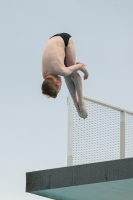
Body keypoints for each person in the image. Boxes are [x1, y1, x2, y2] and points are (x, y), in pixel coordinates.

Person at [41, 33, 89, 119]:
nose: (62, 85)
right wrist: (73, 66)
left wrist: (86, 74)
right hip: (52, 40)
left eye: (60, 86)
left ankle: (81, 103)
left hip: (66, 40)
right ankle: (76, 104)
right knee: (67, 72)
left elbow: (81, 68)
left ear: (57, 82)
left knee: (73, 74)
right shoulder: (45, 75)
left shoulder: (60, 70)